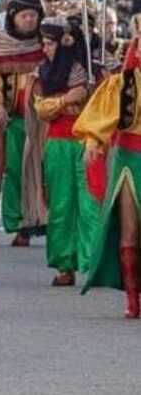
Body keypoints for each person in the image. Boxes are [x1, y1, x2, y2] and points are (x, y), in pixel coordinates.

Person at [75, 36, 141, 318]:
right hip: (130, 160)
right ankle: (132, 297)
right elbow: (101, 117)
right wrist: (93, 142)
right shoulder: (123, 83)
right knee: (130, 228)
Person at [33, 17, 100, 286]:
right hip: (58, 142)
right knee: (60, 203)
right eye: (44, 44)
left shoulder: (90, 72)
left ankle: (93, 261)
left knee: (90, 202)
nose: (45, 49)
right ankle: (64, 264)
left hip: (87, 142)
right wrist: (66, 99)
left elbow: (98, 108)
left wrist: (86, 94)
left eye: (49, 44)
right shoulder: (43, 72)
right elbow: (41, 109)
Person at [0, 0, 44, 239]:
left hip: (43, 119)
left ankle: (39, 216)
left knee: (40, 171)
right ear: (12, 17)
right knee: (16, 169)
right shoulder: (0, 45)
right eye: (23, 15)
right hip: (14, 120)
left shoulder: (45, 43)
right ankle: (18, 222)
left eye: (33, 15)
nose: (29, 20)